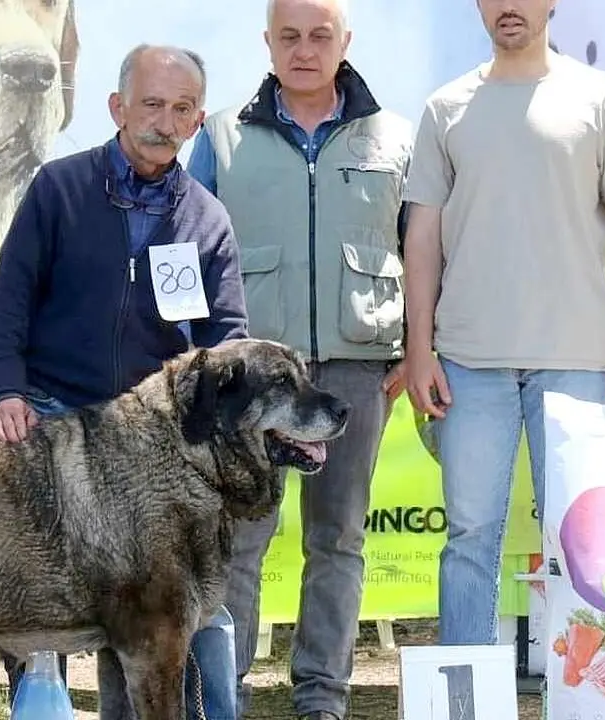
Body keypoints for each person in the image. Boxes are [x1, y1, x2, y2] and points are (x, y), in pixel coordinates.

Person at [0, 43, 247, 720]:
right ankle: (40, 705)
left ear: (198, 120)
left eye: (182, 108)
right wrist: (5, 392)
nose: (164, 120)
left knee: (187, 604)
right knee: (47, 591)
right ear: (117, 107)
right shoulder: (57, 189)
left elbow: (227, 341)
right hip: (52, 417)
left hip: (153, 444)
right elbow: (8, 301)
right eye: (151, 103)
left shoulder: (209, 220)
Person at [400, 0, 605, 647]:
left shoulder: (604, 100)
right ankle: (465, 697)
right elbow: (422, 239)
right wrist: (419, 350)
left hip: (576, 356)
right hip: (466, 360)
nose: (508, 6)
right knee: (469, 539)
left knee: (582, 536)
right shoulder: (445, 108)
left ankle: (586, 697)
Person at [186, 0, 411, 717]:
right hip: (250, 383)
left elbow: (426, 253)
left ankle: (322, 697)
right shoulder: (220, 137)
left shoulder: (396, 138)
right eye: (290, 37)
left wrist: (417, 350)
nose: (305, 50)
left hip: (354, 367)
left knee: (337, 537)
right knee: (239, 540)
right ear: (268, 43)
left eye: (320, 36)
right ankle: (226, 694)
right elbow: (186, 256)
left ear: (345, 41)